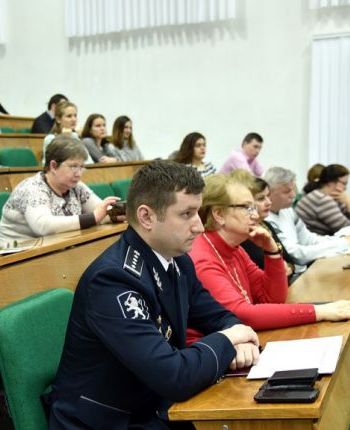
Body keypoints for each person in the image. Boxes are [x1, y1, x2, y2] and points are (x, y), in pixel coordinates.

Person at [46, 160, 260, 430]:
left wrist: (237, 337)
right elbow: (174, 376)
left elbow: (215, 315)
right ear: (146, 217)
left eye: (198, 212)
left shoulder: (178, 260)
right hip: (108, 422)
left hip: (151, 410)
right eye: (187, 214)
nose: (199, 226)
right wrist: (229, 340)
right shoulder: (113, 281)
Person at [188, 173, 350, 340]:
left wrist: (272, 252)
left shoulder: (234, 249)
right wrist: (319, 312)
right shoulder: (202, 256)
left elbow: (273, 298)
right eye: (247, 207)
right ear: (219, 214)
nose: (256, 215)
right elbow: (243, 316)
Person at [0, 137, 120, 247]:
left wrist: (117, 214)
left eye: (81, 167)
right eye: (73, 167)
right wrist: (93, 217)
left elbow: (101, 212)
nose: (79, 174)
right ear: (53, 166)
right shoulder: (32, 188)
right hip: (17, 257)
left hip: (55, 251)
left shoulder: (75, 186)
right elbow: (43, 226)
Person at [264, 166, 350, 274]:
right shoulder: (265, 219)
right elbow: (296, 256)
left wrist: (341, 240)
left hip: (302, 270)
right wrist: (341, 243)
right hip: (292, 275)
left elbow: (308, 240)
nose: (293, 195)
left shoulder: (288, 210)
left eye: (293, 190)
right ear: (269, 193)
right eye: (287, 192)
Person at [236, 173, 298, 282]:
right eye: (261, 199)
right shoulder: (244, 235)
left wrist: (289, 268)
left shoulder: (266, 224)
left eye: (268, 196)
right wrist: (279, 270)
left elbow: (290, 260)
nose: (269, 202)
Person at [295, 164, 350, 235]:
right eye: (344, 183)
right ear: (331, 182)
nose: (345, 188)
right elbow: (346, 228)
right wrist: (349, 203)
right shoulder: (322, 199)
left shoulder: (331, 197)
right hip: (314, 242)